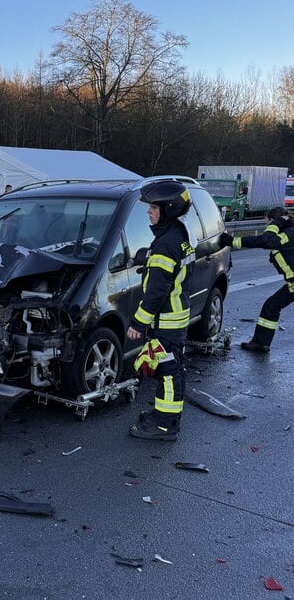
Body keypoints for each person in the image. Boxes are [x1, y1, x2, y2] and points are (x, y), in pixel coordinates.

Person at [126, 181, 195, 441]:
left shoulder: (166, 243)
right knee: (171, 369)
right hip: (176, 316)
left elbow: (157, 290)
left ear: (168, 208)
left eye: (153, 207)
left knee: (167, 372)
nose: (149, 212)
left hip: (167, 320)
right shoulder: (178, 231)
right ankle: (165, 418)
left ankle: (163, 426)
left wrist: (138, 323)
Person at [220, 206, 294, 352]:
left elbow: (268, 241)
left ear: (274, 220)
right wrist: (231, 241)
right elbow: (258, 241)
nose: (267, 225)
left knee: (271, 306)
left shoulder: (290, 233)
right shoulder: (287, 232)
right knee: (271, 306)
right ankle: (260, 343)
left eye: (268, 222)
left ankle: (261, 343)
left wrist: (276, 223)